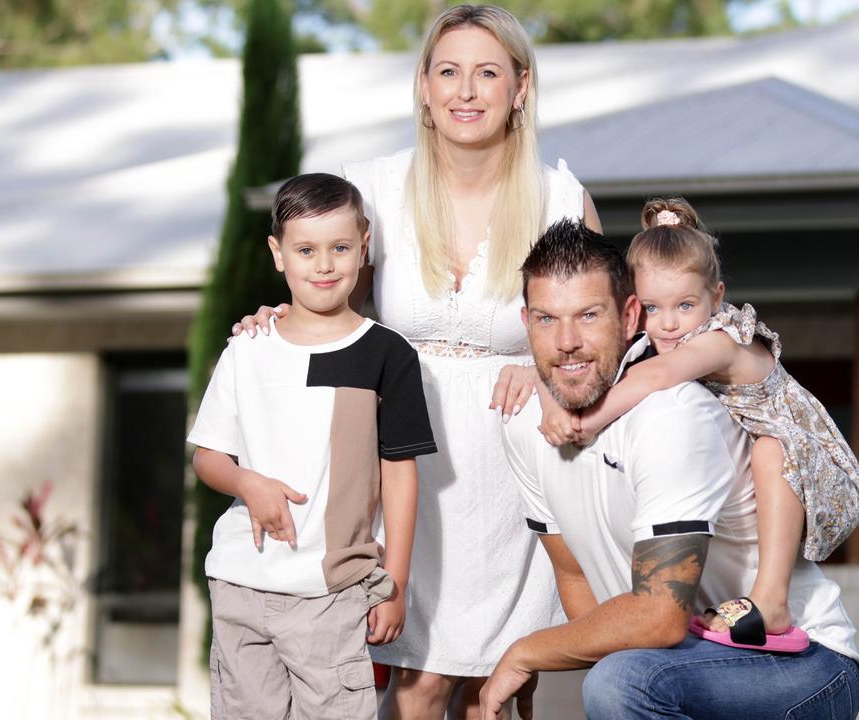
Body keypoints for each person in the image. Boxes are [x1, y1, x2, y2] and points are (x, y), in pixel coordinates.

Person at [233, 5, 602, 717]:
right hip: (403, 464)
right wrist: (271, 321)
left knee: (500, 688)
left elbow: (601, 335)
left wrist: (546, 363)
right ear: (424, 87)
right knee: (422, 681)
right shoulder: (368, 187)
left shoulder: (560, 199)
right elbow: (323, 302)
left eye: (488, 72)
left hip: (515, 470)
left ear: (520, 88)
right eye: (449, 72)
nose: (467, 91)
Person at [480, 218, 859, 720]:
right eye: (548, 320)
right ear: (525, 321)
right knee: (618, 673)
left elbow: (658, 621)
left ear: (626, 315)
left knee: (622, 682)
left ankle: (768, 600)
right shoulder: (525, 421)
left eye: (589, 315)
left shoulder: (675, 410)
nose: (567, 340)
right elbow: (576, 578)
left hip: (805, 663)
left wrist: (525, 650)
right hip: (691, 658)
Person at [535, 197, 859, 647]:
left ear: (717, 297)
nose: (669, 324)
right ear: (635, 306)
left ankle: (771, 599)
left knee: (772, 449)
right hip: (742, 481)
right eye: (652, 308)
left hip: (811, 464)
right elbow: (573, 366)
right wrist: (546, 394)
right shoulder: (655, 335)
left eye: (686, 305)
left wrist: (585, 421)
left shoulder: (721, 340)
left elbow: (657, 375)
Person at [190, 173, 436, 719]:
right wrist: (247, 483)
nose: (324, 265)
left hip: (332, 593)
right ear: (279, 255)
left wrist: (395, 583)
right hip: (240, 583)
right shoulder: (247, 349)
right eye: (306, 250)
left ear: (363, 245)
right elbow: (207, 456)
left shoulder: (386, 354)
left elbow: (399, 475)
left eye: (340, 248)